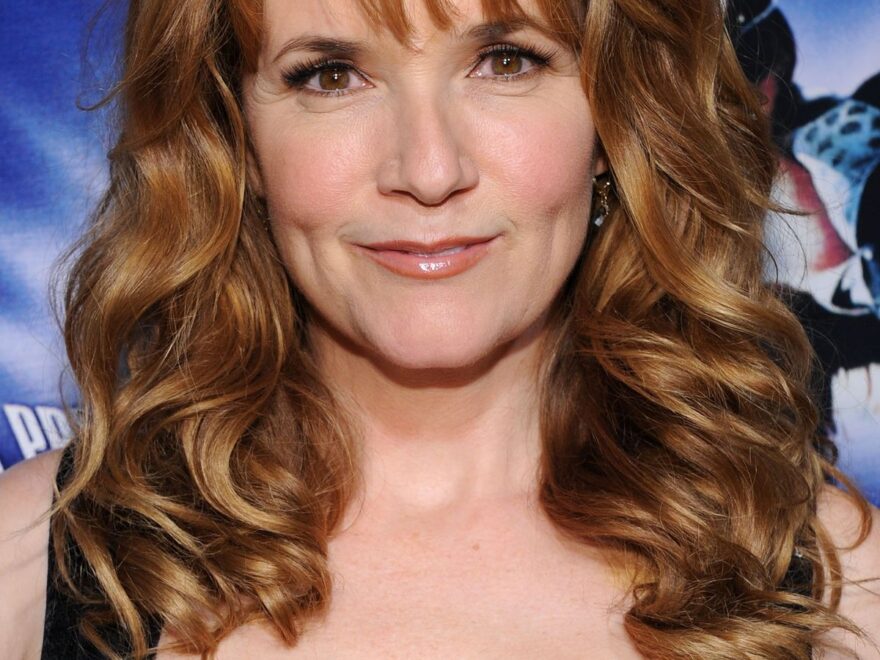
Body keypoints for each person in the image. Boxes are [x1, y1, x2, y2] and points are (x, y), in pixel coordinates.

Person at [1, 0, 879, 657]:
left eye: (505, 60)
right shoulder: (30, 559)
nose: (428, 170)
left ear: (617, 118)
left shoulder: (840, 588)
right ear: (234, 139)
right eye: (331, 75)